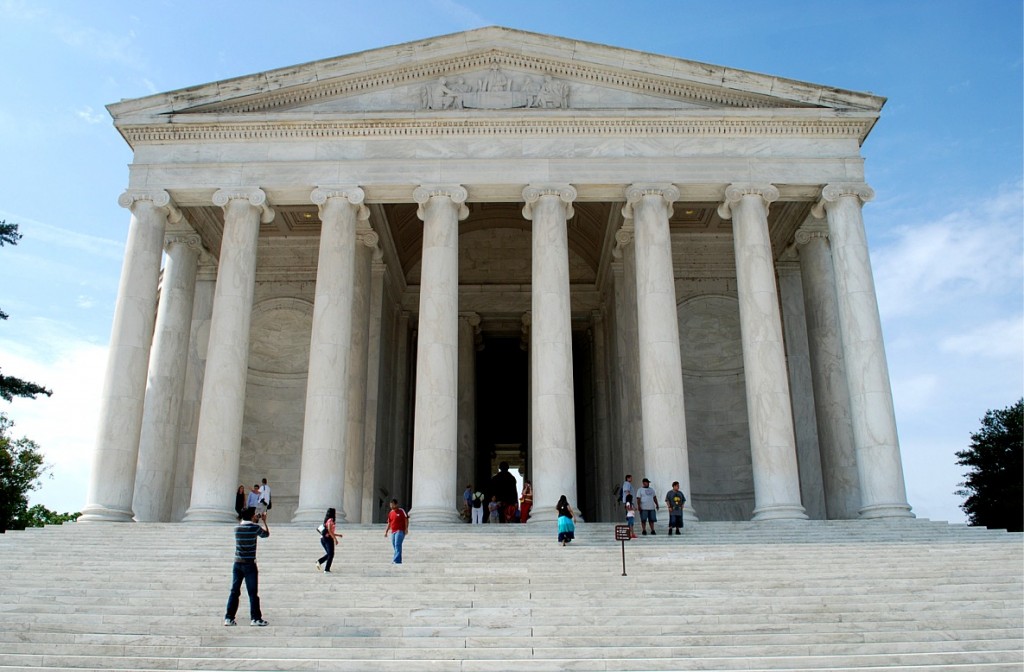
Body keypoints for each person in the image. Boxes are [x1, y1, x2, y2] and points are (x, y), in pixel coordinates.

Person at [224, 507, 269, 627]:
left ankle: (229, 618)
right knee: (253, 593)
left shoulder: (237, 528)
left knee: (234, 591)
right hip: (250, 564)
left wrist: (252, 518)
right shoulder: (255, 528)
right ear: (252, 516)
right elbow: (266, 534)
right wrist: (264, 521)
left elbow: (243, 522)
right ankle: (255, 618)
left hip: (237, 563)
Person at [316, 507, 342, 572]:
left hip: (324, 538)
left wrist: (338, 535)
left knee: (330, 554)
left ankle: (320, 562)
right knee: (331, 554)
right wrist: (335, 539)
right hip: (328, 539)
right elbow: (330, 531)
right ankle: (326, 569)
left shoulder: (327, 520)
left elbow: (329, 532)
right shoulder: (330, 520)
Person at [384, 499, 409, 564]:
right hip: (393, 531)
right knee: (394, 545)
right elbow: (389, 523)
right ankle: (398, 559)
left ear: (396, 504)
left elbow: (406, 519)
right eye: (390, 505)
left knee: (397, 544)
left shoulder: (401, 511)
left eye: (393, 505)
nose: (391, 506)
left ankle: (396, 560)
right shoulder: (391, 513)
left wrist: (406, 528)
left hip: (400, 531)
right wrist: (386, 531)